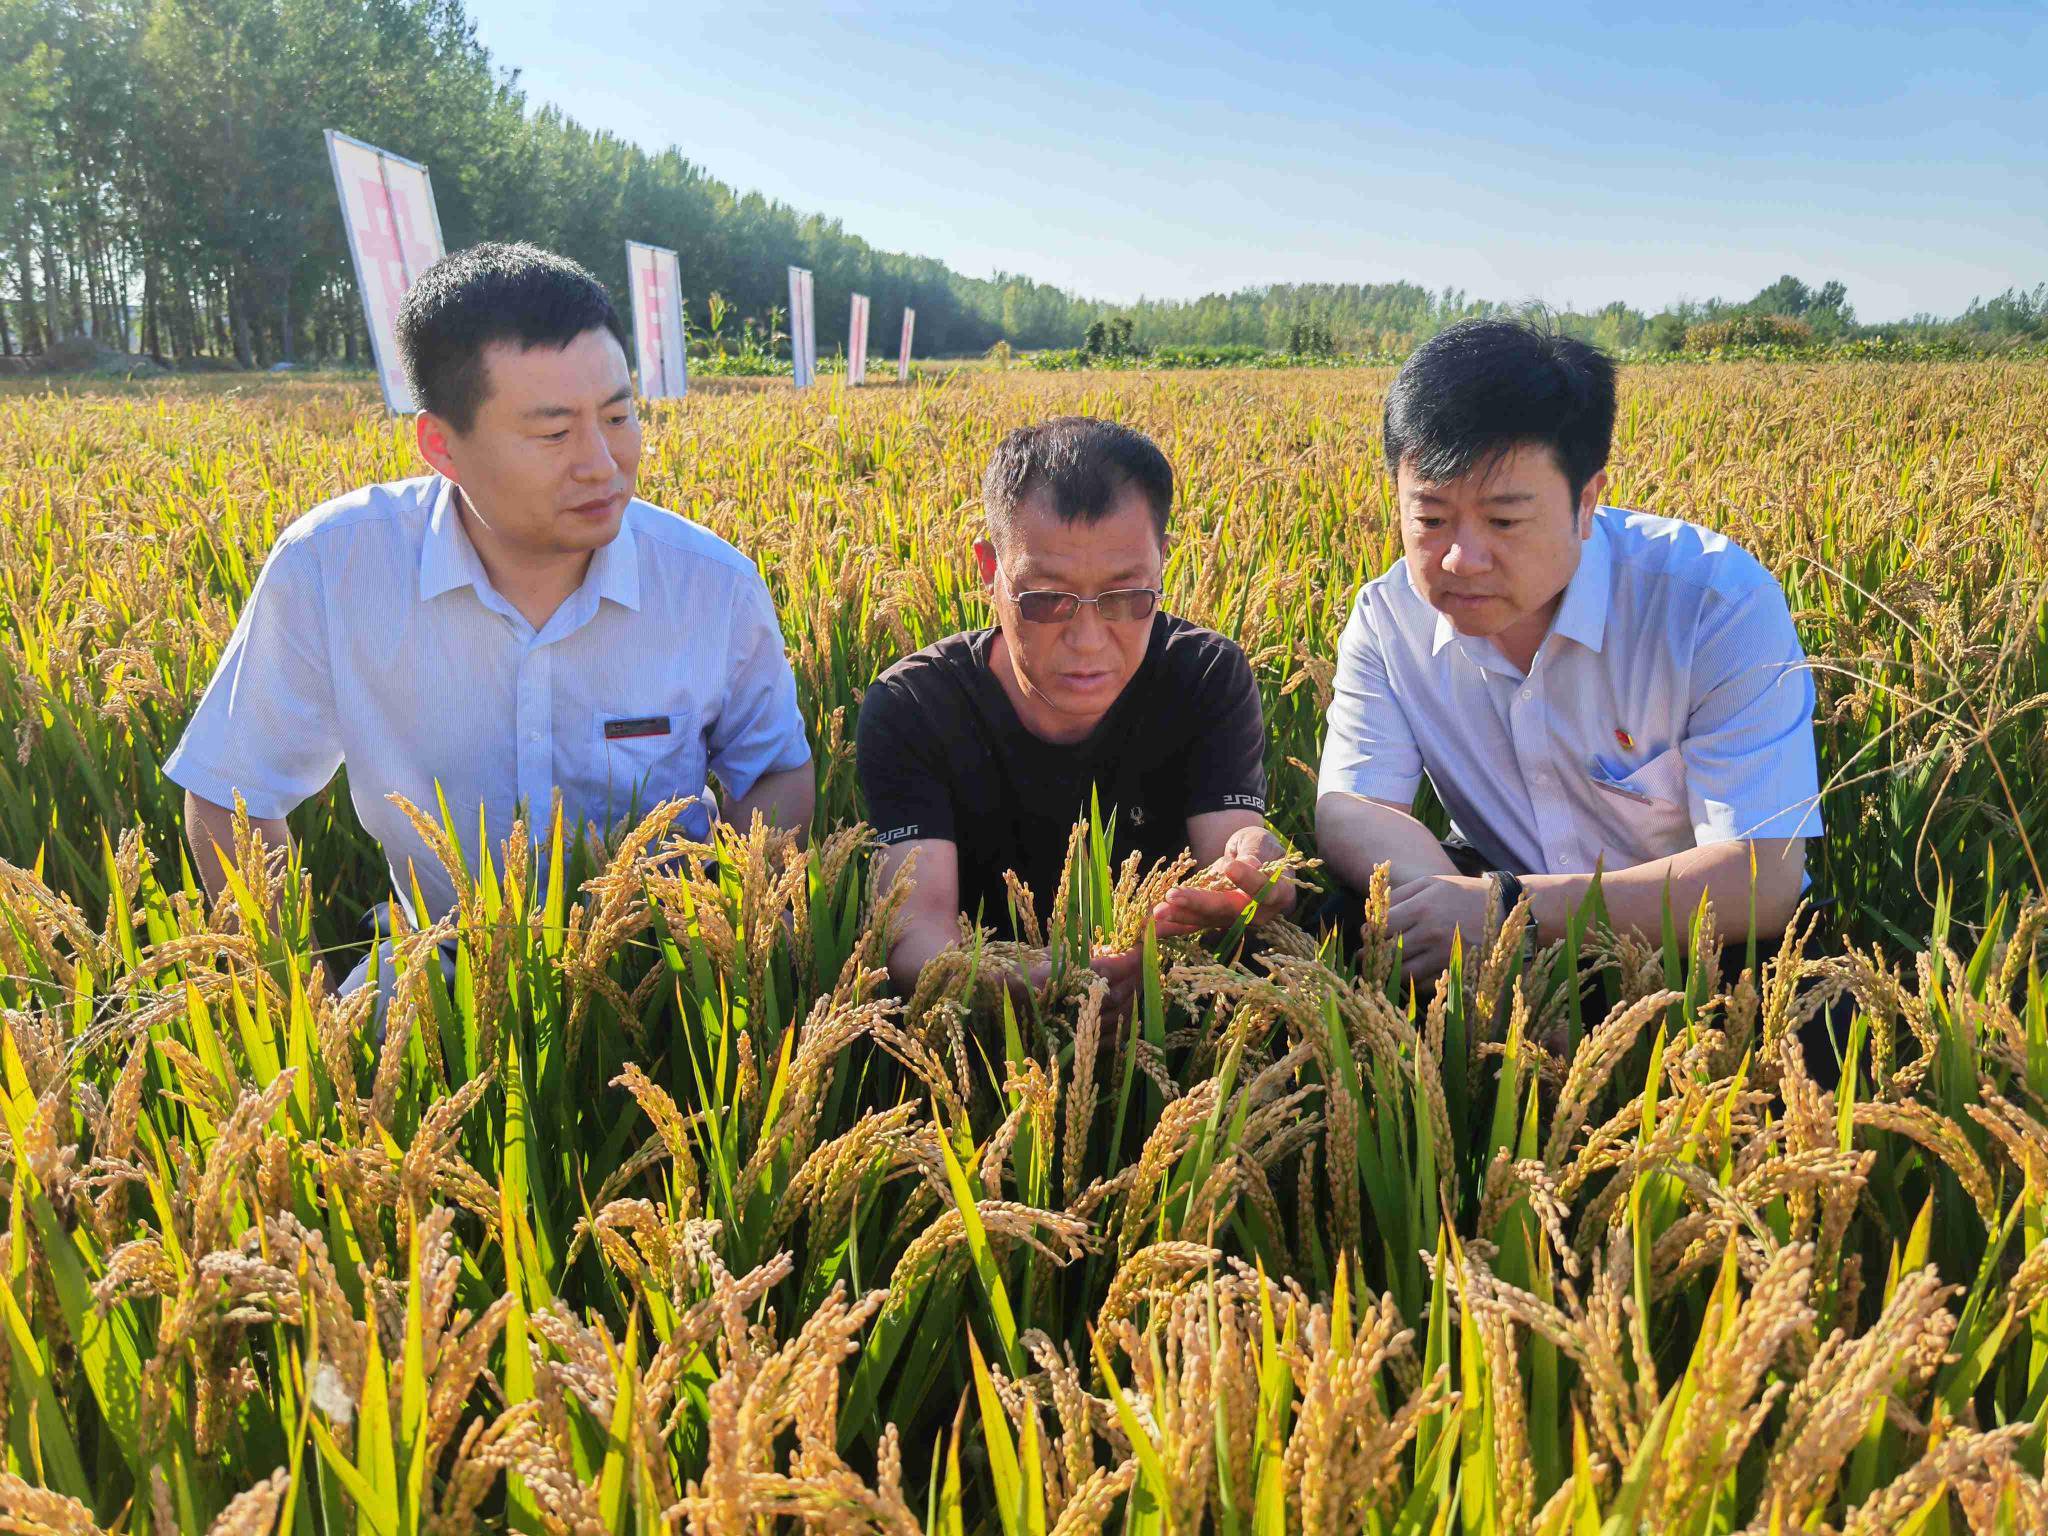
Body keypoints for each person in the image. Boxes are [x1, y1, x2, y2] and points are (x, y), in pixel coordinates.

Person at [165, 242, 815, 992]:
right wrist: (297, 1005)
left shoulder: (711, 586)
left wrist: (726, 939)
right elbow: (229, 796)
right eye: (552, 433)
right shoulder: (335, 568)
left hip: (665, 967)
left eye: (618, 415)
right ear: (442, 445)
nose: (602, 462)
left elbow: (773, 770)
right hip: (440, 966)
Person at [1315, 319, 1822, 981]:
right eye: (1431, 519)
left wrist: (1507, 914)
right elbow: (1356, 805)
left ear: (1586, 502)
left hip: (1697, 938)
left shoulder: (1712, 604)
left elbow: (1762, 877)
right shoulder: (1388, 620)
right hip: (1499, 894)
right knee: (1316, 924)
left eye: (1503, 520)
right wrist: (1456, 918)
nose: (1461, 558)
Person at [856, 416, 1295, 1008]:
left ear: (1162, 560)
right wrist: (1027, 988)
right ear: (991, 571)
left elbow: (1227, 844)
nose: (1088, 640)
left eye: (1126, 597)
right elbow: (915, 930)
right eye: (1046, 600)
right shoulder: (916, 707)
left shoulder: (1204, 677)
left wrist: (1254, 870)